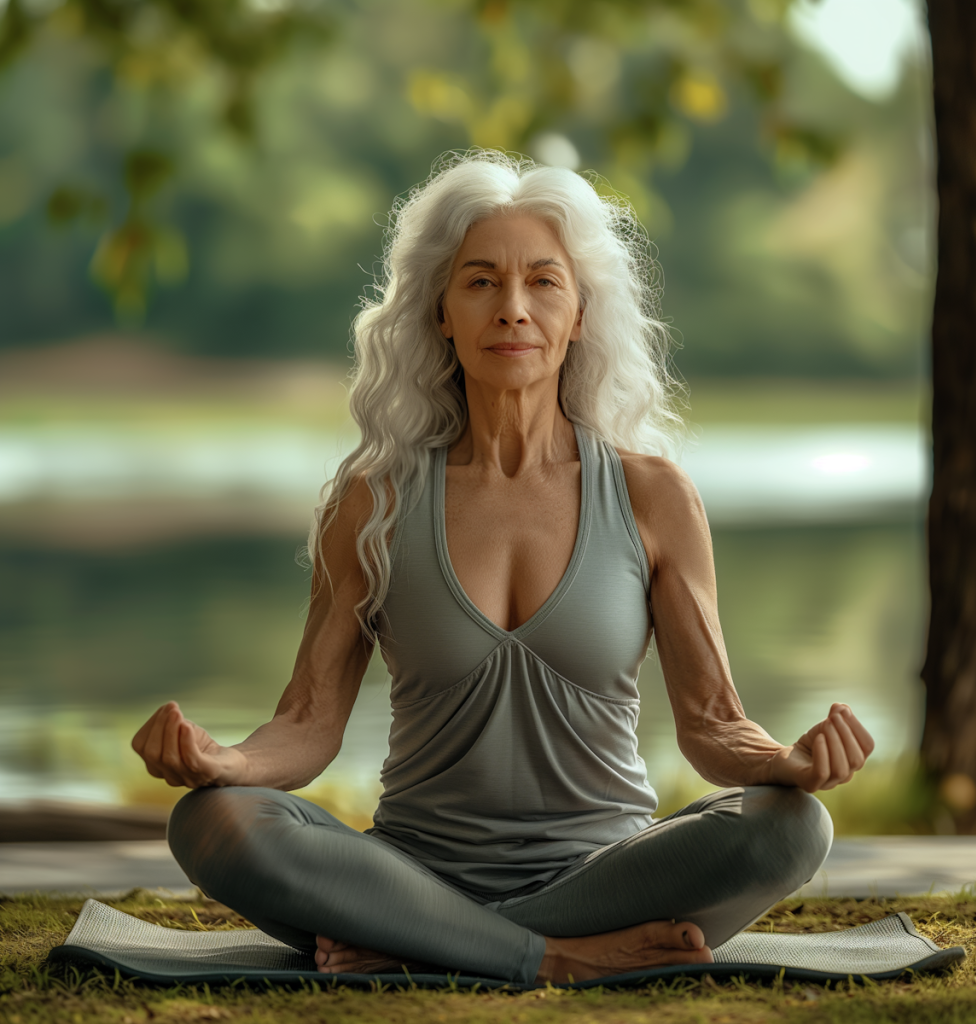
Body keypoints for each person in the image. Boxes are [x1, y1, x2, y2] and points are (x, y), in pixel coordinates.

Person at [132, 151, 874, 986]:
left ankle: (422, 947)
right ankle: (555, 959)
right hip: (413, 871)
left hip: (605, 877)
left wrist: (788, 764)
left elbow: (712, 724)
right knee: (214, 824)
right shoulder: (372, 501)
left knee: (791, 827)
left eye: (544, 283)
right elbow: (307, 722)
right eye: (481, 282)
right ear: (441, 312)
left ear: (581, 312)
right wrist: (223, 763)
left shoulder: (652, 496)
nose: (513, 309)